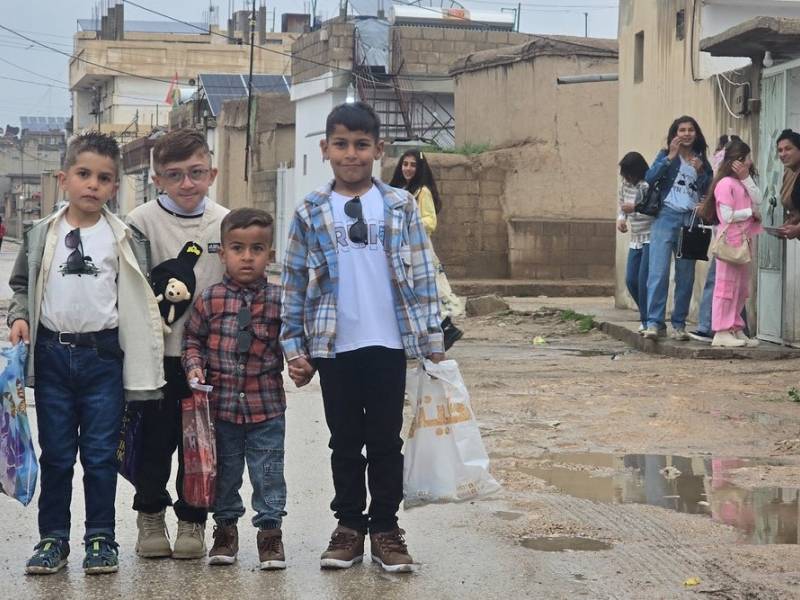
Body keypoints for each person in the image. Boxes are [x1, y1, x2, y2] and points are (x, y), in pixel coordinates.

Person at [280, 102, 444, 573]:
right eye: (341, 144)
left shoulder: (400, 205)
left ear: (378, 149)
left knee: (386, 441)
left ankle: (386, 529)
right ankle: (349, 527)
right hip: (335, 346)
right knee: (345, 442)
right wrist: (294, 347)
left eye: (361, 145)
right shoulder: (310, 210)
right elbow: (294, 282)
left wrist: (432, 340)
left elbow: (424, 273)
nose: (351, 154)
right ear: (325, 149)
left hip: (389, 344)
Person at [7, 132, 165, 574]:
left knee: (99, 457)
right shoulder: (42, 234)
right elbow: (21, 286)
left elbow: (140, 294)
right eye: (83, 174)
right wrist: (18, 316)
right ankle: (52, 540)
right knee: (57, 456)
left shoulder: (124, 237)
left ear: (114, 186)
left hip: (103, 359)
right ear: (64, 179)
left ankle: (101, 538)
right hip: (52, 358)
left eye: (104, 178)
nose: (93, 184)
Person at [126, 128, 229, 560]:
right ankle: (150, 514)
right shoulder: (139, 222)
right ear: (157, 179)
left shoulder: (226, 221)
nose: (187, 183)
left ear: (212, 173)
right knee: (154, 443)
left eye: (196, 172)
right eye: (175, 174)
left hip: (207, 360)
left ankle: (193, 520)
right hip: (156, 359)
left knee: (199, 447)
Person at [182, 208, 287, 569]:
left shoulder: (279, 299)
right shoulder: (210, 299)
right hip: (222, 408)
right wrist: (194, 367)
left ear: (269, 254)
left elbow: (292, 340)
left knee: (268, 472)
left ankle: (270, 534)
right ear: (222, 253)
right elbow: (192, 340)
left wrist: (301, 361)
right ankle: (225, 532)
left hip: (266, 407)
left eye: (257, 249)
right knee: (225, 473)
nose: (247, 257)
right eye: (238, 248)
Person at [642, 116, 713, 341]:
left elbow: (710, 190)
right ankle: (654, 323)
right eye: (682, 130)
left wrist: (701, 172)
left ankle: (679, 324)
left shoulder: (701, 160)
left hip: (690, 220)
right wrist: (669, 157)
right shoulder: (665, 155)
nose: (686, 134)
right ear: (675, 134)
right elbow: (649, 178)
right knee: (658, 272)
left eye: (691, 130)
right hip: (666, 216)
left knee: (685, 275)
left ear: (696, 134)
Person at [389, 149, 464, 349]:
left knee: (425, 290)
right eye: (405, 164)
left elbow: (431, 221)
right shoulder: (399, 190)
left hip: (419, 249)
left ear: (420, 168)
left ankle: (445, 329)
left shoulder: (422, 192)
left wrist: (409, 223)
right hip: (401, 248)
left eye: (413, 165)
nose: (408, 168)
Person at [689, 136, 758, 344]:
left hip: (744, 242)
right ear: (737, 161)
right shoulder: (725, 184)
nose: (749, 162)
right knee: (725, 287)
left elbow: (759, 198)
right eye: (746, 158)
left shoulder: (743, 182)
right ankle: (721, 330)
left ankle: (736, 327)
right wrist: (750, 212)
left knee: (740, 288)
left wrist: (747, 179)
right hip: (730, 242)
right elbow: (727, 216)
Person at [615, 152, 652, 331]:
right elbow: (622, 206)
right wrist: (621, 219)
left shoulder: (647, 185)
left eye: (629, 174)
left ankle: (648, 320)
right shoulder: (625, 185)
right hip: (635, 238)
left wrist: (635, 207)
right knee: (631, 280)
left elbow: (652, 208)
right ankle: (646, 314)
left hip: (650, 236)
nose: (627, 178)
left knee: (643, 280)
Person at [775, 129, 800, 240]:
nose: (783, 154)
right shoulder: (790, 171)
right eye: (780, 150)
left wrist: (797, 229)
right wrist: (789, 225)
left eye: (788, 149)